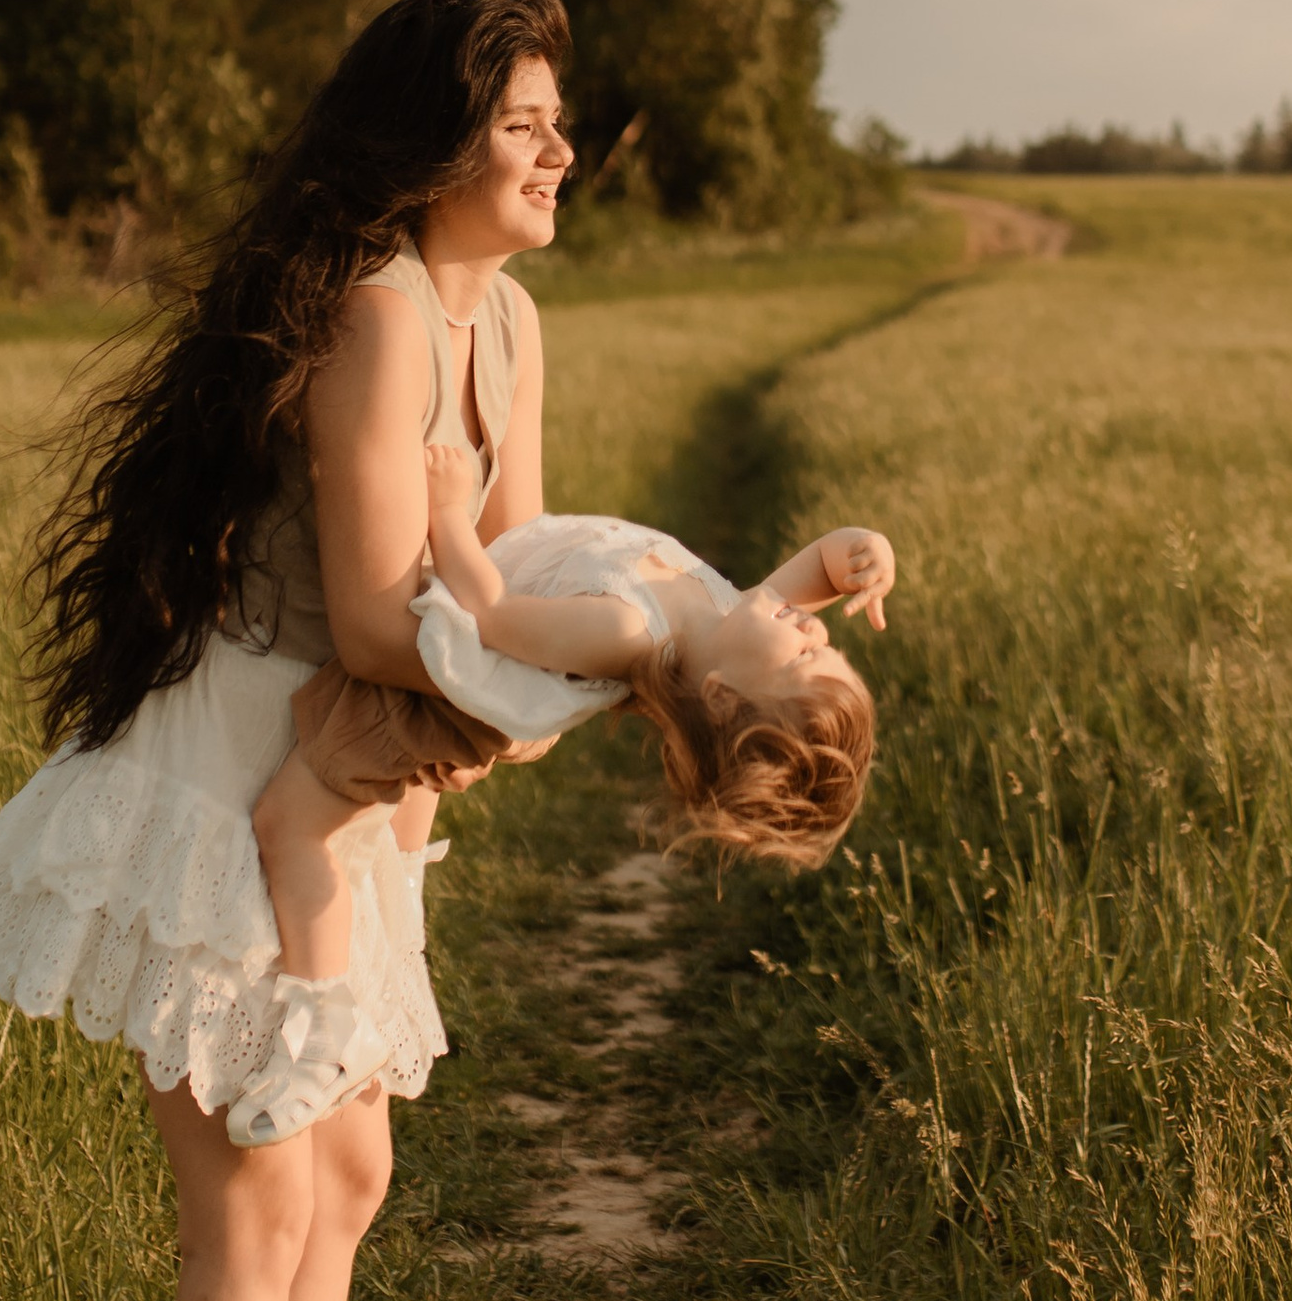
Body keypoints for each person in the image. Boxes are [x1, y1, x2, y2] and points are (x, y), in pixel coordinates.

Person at [0, 0, 581, 1301]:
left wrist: (661, 643)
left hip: (357, 785)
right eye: (521, 119)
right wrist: (549, 687)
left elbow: (518, 566)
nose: (554, 150)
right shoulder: (378, 306)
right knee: (257, 1194)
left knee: (350, 1176)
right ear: (436, 139)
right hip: (231, 778)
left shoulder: (508, 323)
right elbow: (387, 620)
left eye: (556, 119)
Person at [229, 445, 891, 1145]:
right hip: (441, 677)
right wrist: (868, 553)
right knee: (361, 858)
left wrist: (448, 509)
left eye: (806, 654)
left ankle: (328, 1029)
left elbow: (489, 611)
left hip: (422, 702)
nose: (813, 624)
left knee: (291, 828)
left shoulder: (624, 632)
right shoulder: (729, 621)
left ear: (723, 699)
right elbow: (823, 568)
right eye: (828, 642)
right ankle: (355, 994)